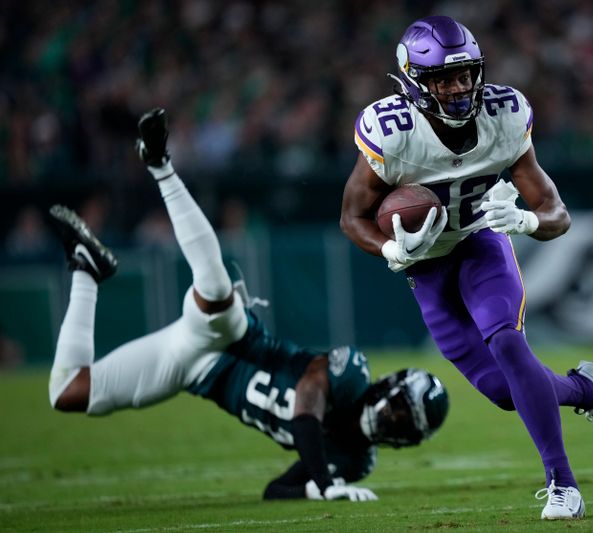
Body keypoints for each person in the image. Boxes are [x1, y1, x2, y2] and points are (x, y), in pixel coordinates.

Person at [47, 108, 449, 502]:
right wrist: (325, 484)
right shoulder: (353, 374)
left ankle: (85, 267)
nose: (391, 420)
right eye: (399, 408)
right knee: (216, 295)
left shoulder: (357, 459)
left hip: (195, 370)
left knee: (67, 392)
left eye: (404, 425)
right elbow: (309, 394)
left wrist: (316, 487)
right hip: (235, 340)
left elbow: (276, 492)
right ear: (389, 386)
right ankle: (161, 165)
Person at [340, 16, 593, 519]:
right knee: (502, 390)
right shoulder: (391, 132)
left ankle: (563, 485)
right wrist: (392, 252)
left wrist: (524, 219)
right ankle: (585, 388)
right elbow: (353, 217)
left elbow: (556, 213)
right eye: (443, 79)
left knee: (507, 341)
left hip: (480, 244)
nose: (458, 88)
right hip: (427, 269)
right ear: (414, 80)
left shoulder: (505, 113)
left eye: (466, 75)